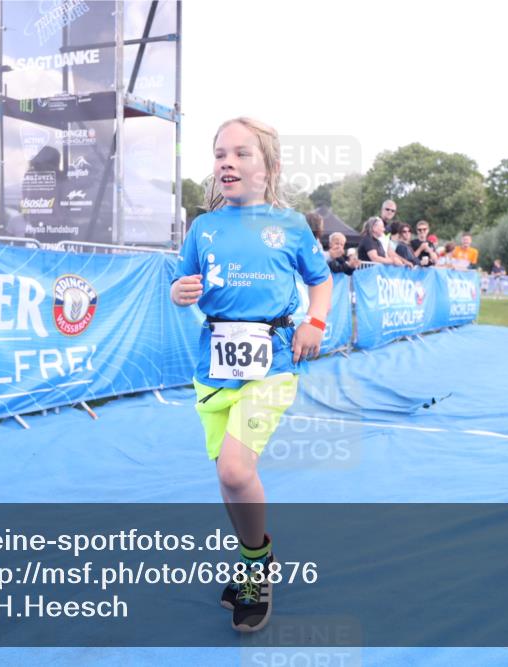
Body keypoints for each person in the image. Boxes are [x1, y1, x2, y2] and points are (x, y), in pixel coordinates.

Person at [170, 117, 332, 633]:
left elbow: (321, 280)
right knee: (228, 477)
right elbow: (182, 282)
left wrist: (314, 322)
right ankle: (252, 559)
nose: (227, 163)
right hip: (213, 368)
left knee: (237, 472)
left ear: (270, 166)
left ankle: (257, 567)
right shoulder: (203, 228)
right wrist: (179, 292)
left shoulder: (290, 225)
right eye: (220, 154)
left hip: (272, 365)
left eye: (242, 153)